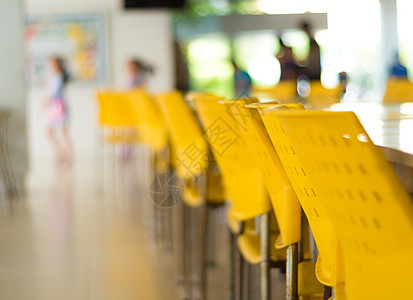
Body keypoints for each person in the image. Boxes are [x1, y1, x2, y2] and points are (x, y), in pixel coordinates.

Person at [45, 56, 73, 166]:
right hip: (54, 108)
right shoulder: (53, 78)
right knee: (51, 132)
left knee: (64, 132)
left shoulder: (61, 78)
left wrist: (47, 101)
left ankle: (69, 156)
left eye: (54, 64)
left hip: (60, 107)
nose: (52, 66)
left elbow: (55, 94)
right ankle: (63, 154)